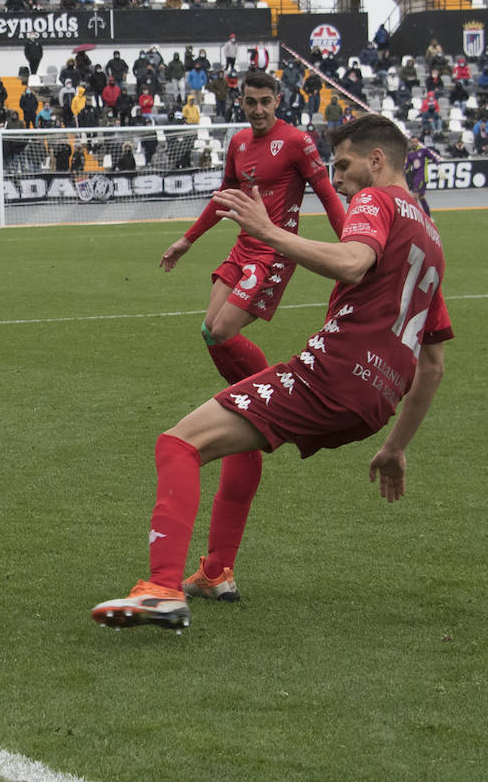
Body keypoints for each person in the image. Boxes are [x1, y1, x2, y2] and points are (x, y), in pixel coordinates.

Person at [93, 115, 453, 629]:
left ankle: (161, 589)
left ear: (377, 161)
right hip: (375, 404)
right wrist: (396, 447)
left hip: (332, 374)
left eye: (346, 163)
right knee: (244, 427)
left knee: (178, 444)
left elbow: (353, 262)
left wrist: (267, 232)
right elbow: (433, 365)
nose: (339, 175)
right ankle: (216, 571)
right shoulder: (432, 237)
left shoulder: (377, 201)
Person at [157, 70, 347, 604]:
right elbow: (226, 197)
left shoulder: (298, 142)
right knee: (208, 332)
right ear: (240, 101)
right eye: (250, 102)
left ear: (279, 101)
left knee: (221, 329)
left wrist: (353, 240)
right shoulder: (239, 142)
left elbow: (329, 195)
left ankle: (261, 387)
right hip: (240, 249)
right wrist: (186, 241)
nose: (258, 110)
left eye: (266, 102)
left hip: (272, 249)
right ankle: (259, 390)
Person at [405, 137, 442, 216]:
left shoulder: (423, 151)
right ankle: (428, 216)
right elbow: (407, 167)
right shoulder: (410, 154)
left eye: (415, 142)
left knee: (414, 196)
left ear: (418, 142)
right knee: (421, 197)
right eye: (412, 142)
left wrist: (438, 167)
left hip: (422, 177)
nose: (414, 143)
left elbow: (433, 158)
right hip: (415, 178)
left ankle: (416, 217)